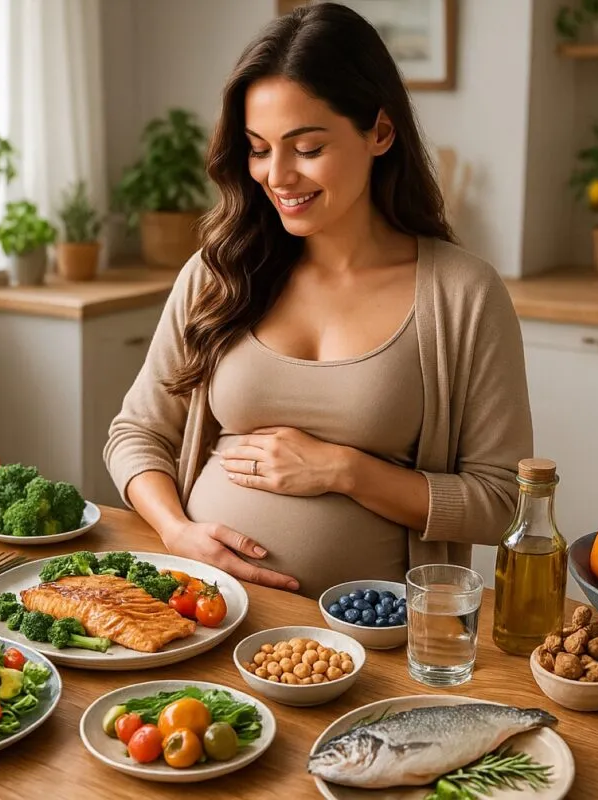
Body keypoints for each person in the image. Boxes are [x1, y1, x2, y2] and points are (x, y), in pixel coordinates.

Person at [103, 2, 532, 599]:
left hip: (375, 644)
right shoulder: (219, 273)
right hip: (203, 610)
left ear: (380, 132)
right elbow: (136, 434)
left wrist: (344, 470)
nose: (277, 175)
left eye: (306, 149)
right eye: (258, 148)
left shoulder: (462, 294)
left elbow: (503, 500)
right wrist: (178, 532)